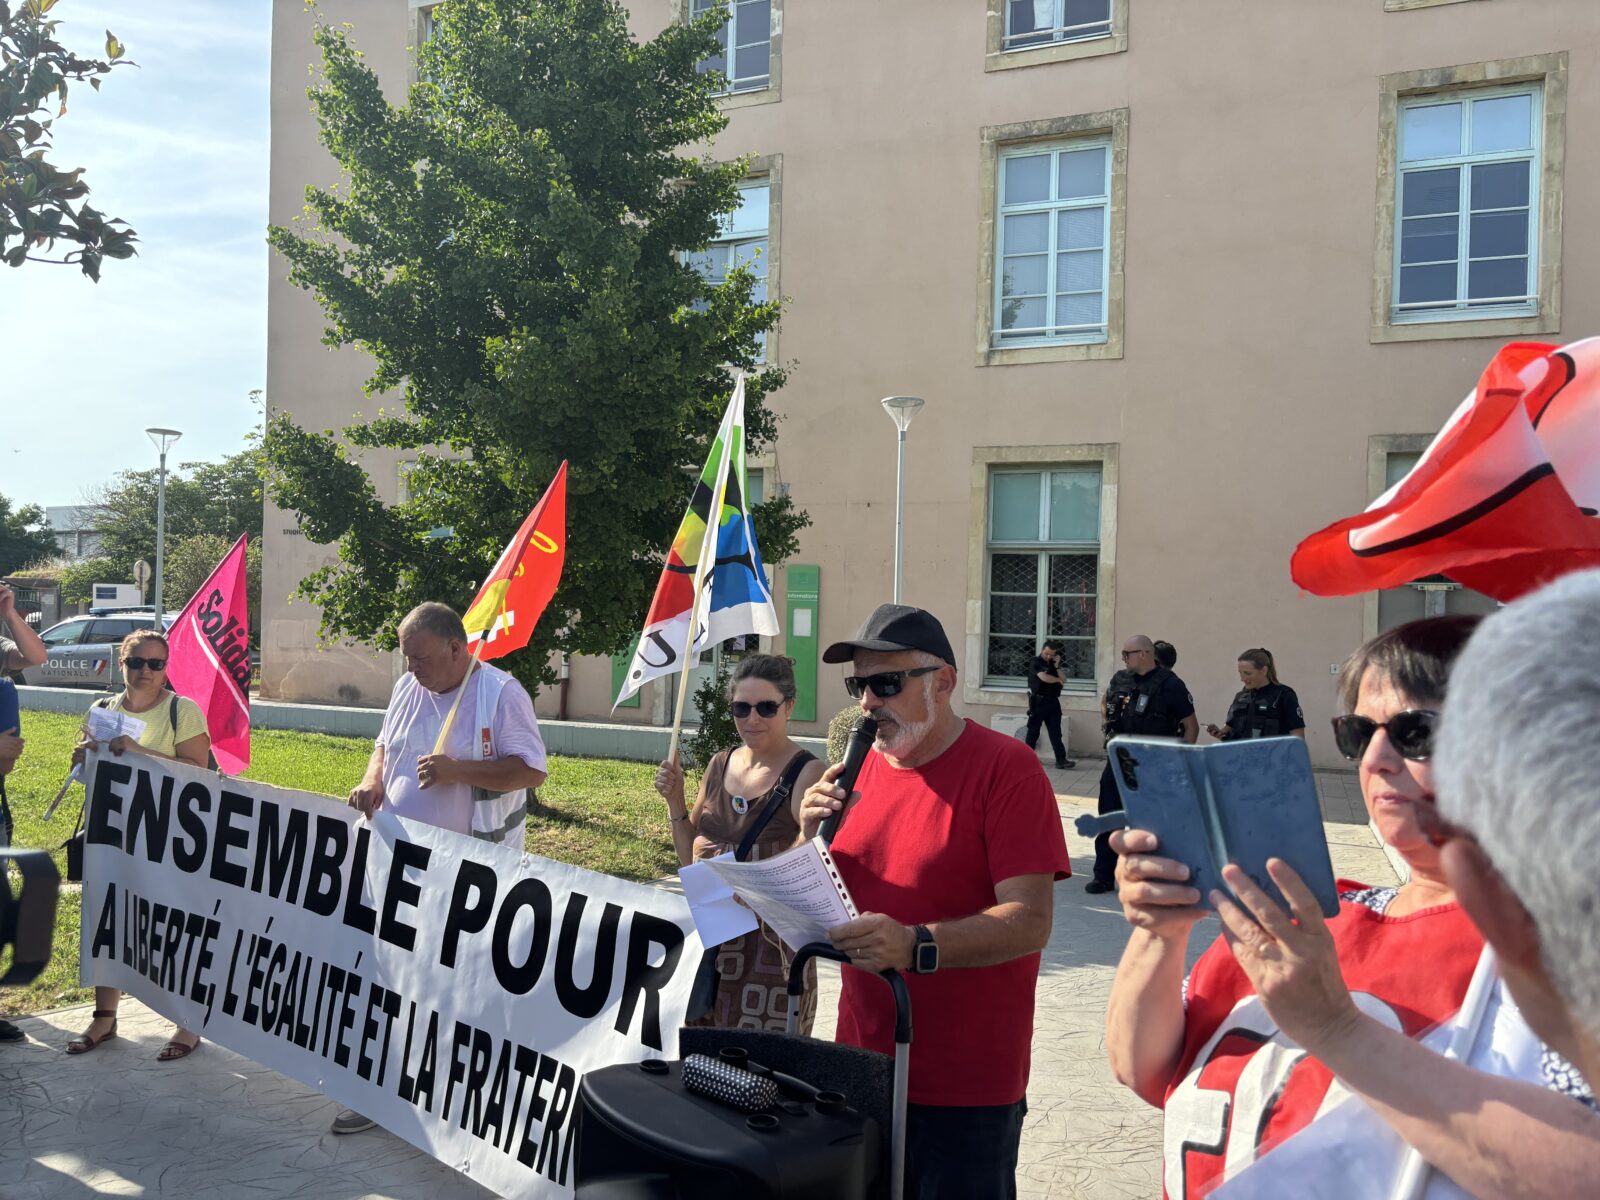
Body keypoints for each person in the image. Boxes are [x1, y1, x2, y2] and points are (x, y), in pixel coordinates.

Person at [1104, 615, 1598, 1199]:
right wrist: (1161, 931)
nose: (1376, 760)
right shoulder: (1308, 908)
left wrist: (1337, 1029)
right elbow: (1148, 1070)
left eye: (1417, 732)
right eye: (1359, 734)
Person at [800, 603, 1071, 1200]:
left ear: (942, 683)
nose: (868, 702)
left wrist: (916, 944)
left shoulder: (1009, 770)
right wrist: (804, 837)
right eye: (859, 685)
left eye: (886, 683)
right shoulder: (856, 769)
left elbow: (1030, 920)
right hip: (860, 1067)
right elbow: (820, 904)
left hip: (965, 1086)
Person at [335, 601, 548, 1135]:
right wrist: (373, 780)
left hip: (469, 873)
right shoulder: (411, 686)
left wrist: (458, 771)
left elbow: (529, 771)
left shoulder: (500, 693)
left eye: (422, 657)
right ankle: (382, 1090)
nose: (412, 669)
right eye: (407, 658)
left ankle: (452, 1093)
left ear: (458, 648)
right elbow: (385, 744)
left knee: (456, 985)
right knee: (391, 976)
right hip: (398, 862)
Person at [653, 654, 826, 1032]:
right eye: (741, 707)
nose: (752, 719)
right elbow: (689, 861)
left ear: (789, 705)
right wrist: (675, 801)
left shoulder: (807, 772)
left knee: (761, 1080)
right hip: (711, 954)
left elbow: (810, 857)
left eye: (766, 707)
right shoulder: (720, 764)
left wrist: (761, 884)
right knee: (699, 1075)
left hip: (771, 964)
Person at [66, 630, 211, 1061]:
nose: (146, 671)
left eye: (156, 664)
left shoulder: (181, 711)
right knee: (108, 918)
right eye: (137, 662)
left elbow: (198, 773)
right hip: (112, 835)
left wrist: (137, 751)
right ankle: (105, 1016)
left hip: (167, 837)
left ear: (167, 668)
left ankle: (188, 1022)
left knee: (171, 924)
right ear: (120, 663)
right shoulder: (101, 709)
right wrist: (82, 758)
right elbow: (85, 772)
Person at [1088, 634, 1196, 894]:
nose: (1123, 658)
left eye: (1128, 654)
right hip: (1120, 758)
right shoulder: (1120, 678)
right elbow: (1106, 701)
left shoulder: (1171, 685)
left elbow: (1190, 726)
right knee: (1109, 816)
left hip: (1154, 762)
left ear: (1145, 654)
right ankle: (1103, 875)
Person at [1205, 647, 1306, 742]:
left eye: (1247, 673)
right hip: (1240, 758)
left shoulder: (1284, 695)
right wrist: (1219, 733)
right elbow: (1229, 729)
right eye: (1240, 673)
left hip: (1273, 759)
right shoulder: (1241, 697)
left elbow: (1297, 738)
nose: (1242, 678)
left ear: (1264, 670)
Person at [1023, 639, 1075, 770]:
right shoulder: (1036, 662)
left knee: (1056, 733)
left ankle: (1061, 760)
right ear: (1042, 650)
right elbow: (1044, 677)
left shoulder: (1053, 664)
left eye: (1051, 654)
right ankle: (1024, 759)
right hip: (1039, 702)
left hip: (1053, 702)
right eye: (1046, 653)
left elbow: (1065, 679)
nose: (1048, 656)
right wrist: (1057, 680)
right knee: (1033, 732)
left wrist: (1057, 667)